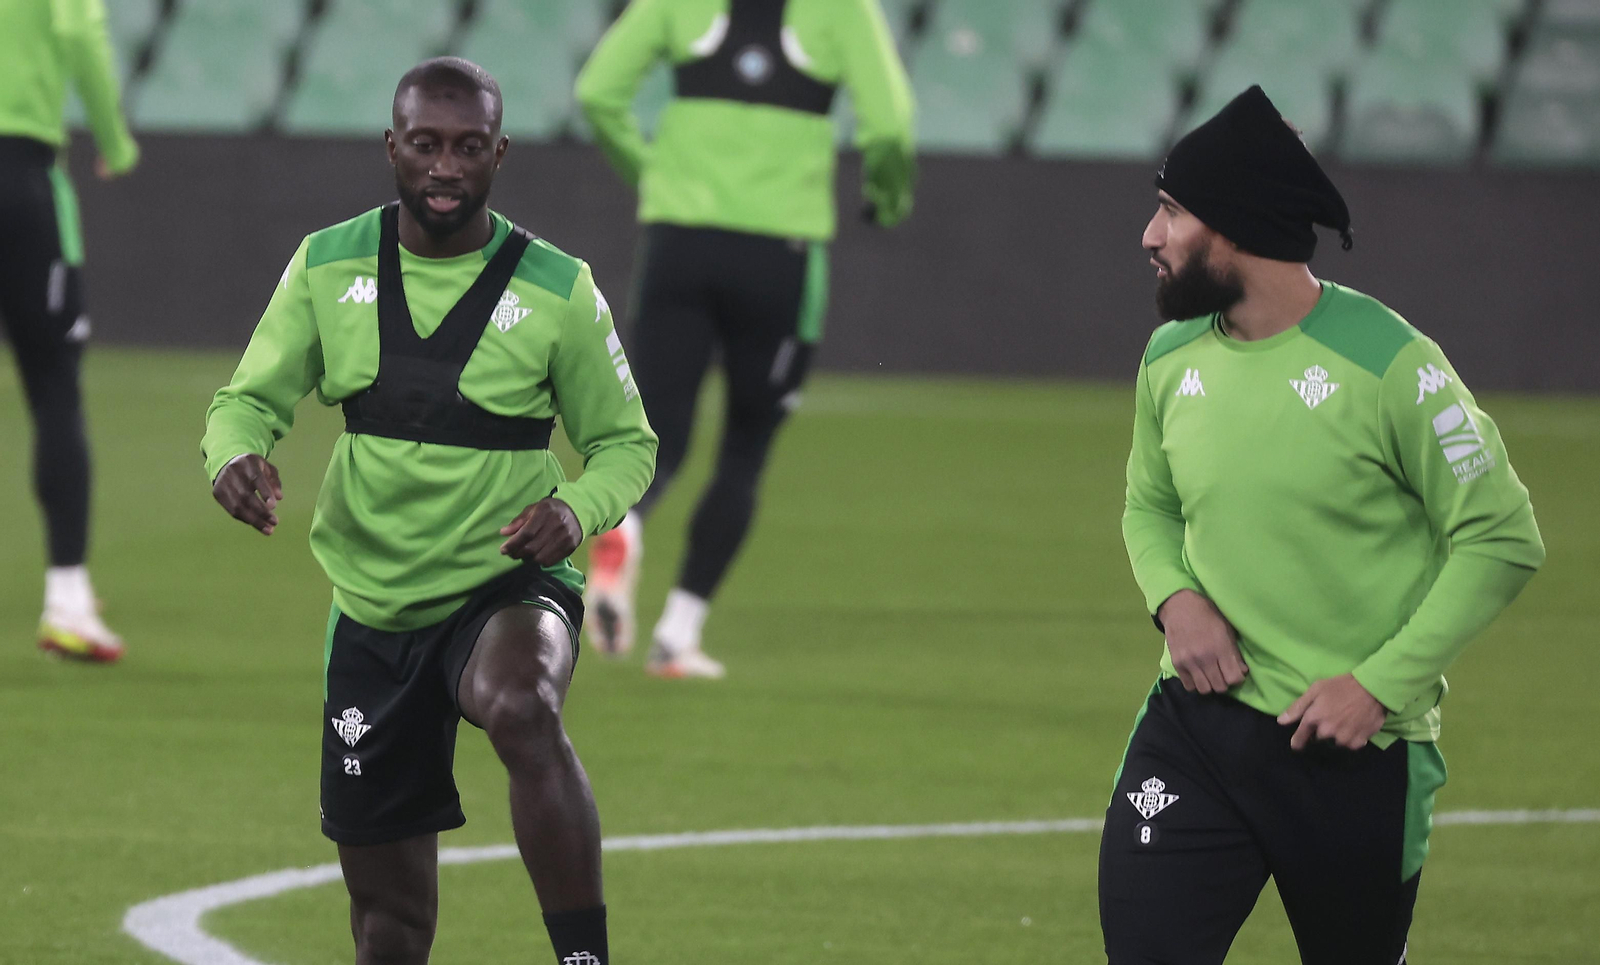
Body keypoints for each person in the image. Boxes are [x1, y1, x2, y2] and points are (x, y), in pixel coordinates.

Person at [202, 59, 655, 965]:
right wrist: (234, 456)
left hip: (507, 579)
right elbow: (244, 401)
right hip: (373, 604)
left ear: (500, 153)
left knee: (521, 703)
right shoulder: (326, 264)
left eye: (468, 147)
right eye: (426, 145)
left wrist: (574, 513)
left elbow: (627, 445)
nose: (446, 166)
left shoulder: (558, 289)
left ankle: (585, 960)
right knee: (390, 925)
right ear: (392, 148)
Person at [1101, 86, 1545, 965]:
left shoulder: (1394, 366)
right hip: (1196, 731)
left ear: (1230, 225)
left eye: (1171, 211)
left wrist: (1378, 685)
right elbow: (1148, 503)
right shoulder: (1169, 356)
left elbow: (1502, 536)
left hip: (1352, 750)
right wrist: (1175, 597)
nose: (1150, 237)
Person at [574, 0, 915, 678]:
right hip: (780, 255)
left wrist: (654, 175)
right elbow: (892, 127)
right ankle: (677, 635)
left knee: (656, 434)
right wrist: (888, 194)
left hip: (678, 243)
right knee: (745, 451)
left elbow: (596, 92)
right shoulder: (843, 10)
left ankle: (625, 526)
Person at [0, 0, 140, 662]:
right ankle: (67, 602)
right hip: (19, 178)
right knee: (55, 388)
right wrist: (113, 141)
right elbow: (80, 29)